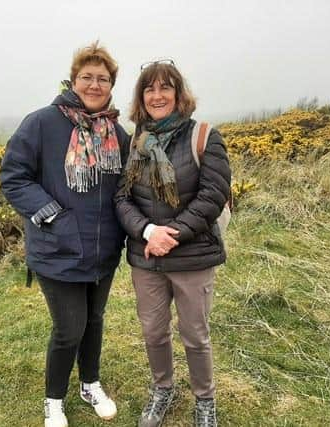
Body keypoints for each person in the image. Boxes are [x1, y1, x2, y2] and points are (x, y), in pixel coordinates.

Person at [0, 42, 130, 427]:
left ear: (111, 85)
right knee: (69, 327)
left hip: (103, 250)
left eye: (102, 79)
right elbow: (13, 176)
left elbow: (125, 187)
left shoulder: (116, 131)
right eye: (87, 77)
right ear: (74, 80)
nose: (94, 84)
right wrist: (51, 215)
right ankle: (53, 400)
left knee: (95, 320)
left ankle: (90, 383)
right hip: (57, 249)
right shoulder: (42, 123)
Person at [115, 59, 231, 427]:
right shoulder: (135, 142)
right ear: (141, 97)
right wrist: (149, 232)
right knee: (153, 331)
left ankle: (205, 399)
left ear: (179, 94)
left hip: (193, 256)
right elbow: (121, 198)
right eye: (149, 88)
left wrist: (172, 235)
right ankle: (162, 389)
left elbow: (213, 196)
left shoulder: (204, 136)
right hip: (146, 256)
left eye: (165, 87)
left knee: (195, 335)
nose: (157, 95)